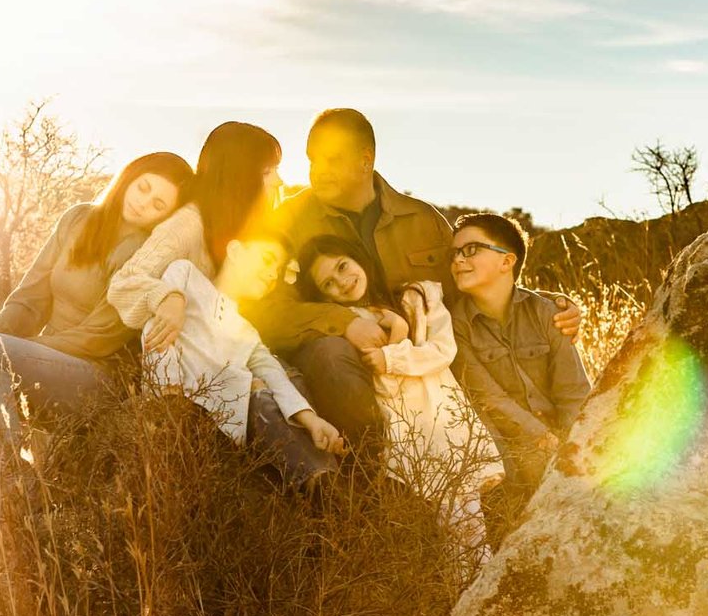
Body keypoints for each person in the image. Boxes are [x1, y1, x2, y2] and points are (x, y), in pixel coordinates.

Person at [243, 108, 582, 464]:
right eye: (313, 159)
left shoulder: (422, 219)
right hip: (344, 365)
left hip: (423, 361)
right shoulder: (286, 223)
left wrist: (546, 303)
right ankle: (372, 472)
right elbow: (265, 310)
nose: (318, 170)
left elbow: (471, 279)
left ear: (365, 160)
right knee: (331, 352)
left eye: (331, 159)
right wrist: (344, 323)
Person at [0, 151, 193, 460]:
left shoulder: (146, 253)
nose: (143, 204)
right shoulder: (78, 218)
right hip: (42, 360)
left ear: (166, 216)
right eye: (143, 188)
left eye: (159, 204)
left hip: (95, 377)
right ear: (129, 177)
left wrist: (7, 349)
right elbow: (29, 299)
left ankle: (9, 482)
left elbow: (100, 338)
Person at [296, 234, 502, 537]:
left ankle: (482, 582)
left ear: (357, 258)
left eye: (342, 266)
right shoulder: (350, 326)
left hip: (444, 421)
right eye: (328, 283)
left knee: (467, 523)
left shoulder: (419, 296)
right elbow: (384, 384)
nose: (342, 282)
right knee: (429, 532)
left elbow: (443, 351)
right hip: (405, 433)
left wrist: (397, 342)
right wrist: (391, 347)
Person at [148, 229, 345, 488]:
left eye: (279, 270)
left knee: (266, 387)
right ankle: (322, 486)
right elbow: (156, 333)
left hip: (228, 435)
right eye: (267, 260)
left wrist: (312, 420)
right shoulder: (186, 275)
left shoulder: (246, 331)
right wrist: (169, 400)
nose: (273, 274)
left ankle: (326, 488)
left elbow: (275, 374)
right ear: (235, 250)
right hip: (174, 416)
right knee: (254, 389)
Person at [449, 212, 591, 505]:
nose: (458, 260)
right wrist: (545, 441)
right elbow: (488, 396)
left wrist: (573, 444)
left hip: (562, 439)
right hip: (505, 451)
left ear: (506, 261)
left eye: (471, 250)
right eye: (455, 253)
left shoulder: (547, 312)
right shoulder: (456, 324)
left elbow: (573, 391)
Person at [106, 121, 282, 354]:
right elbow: (124, 283)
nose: (279, 181)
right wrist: (167, 298)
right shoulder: (187, 225)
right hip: (164, 366)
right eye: (267, 172)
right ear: (240, 177)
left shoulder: (244, 228)